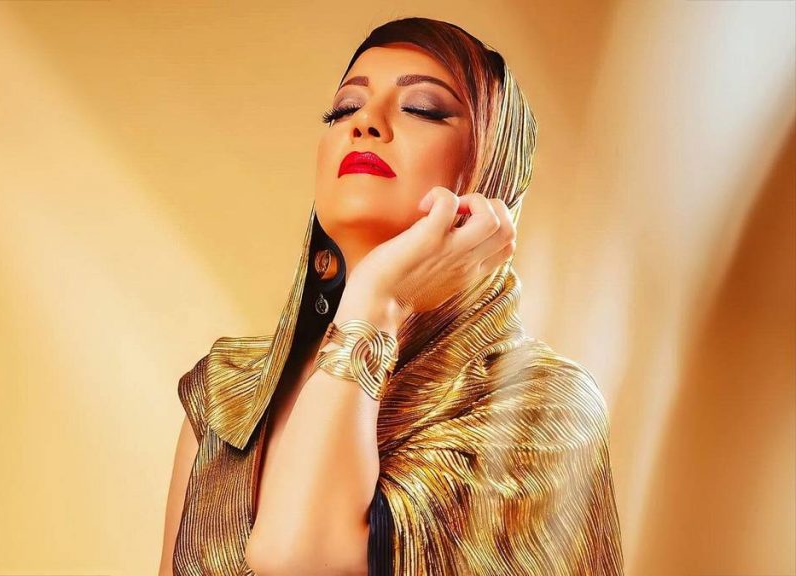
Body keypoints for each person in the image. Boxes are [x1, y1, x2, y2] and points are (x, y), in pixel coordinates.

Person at [159, 16, 624, 576]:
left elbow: (296, 558)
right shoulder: (227, 394)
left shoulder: (544, 407)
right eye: (343, 109)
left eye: (423, 109)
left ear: (493, 175)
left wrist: (378, 301)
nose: (365, 123)